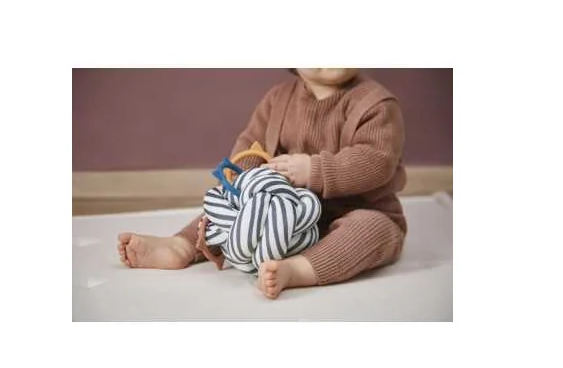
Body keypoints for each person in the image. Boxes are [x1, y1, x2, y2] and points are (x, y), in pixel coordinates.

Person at [118, 68, 407, 299]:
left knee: (371, 229)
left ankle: (298, 269)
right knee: (226, 210)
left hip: (353, 211)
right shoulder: (278, 100)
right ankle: (183, 246)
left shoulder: (376, 104)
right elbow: (251, 146)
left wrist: (314, 170)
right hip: (282, 217)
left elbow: (376, 161)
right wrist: (241, 185)